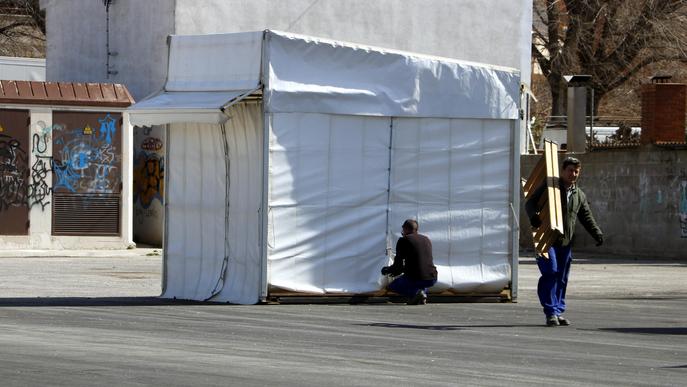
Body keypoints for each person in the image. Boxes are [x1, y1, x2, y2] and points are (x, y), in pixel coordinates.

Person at [526, 156, 603, 326]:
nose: (573, 174)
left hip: (565, 243)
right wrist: (534, 217)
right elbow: (530, 203)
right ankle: (550, 311)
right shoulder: (550, 186)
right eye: (570, 170)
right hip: (546, 239)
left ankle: (558, 311)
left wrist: (597, 233)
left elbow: (586, 217)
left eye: (576, 171)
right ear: (562, 171)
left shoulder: (578, 194)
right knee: (550, 272)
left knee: (561, 277)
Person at [381, 219, 438, 305]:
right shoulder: (426, 239)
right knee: (418, 282)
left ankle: (417, 293)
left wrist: (388, 270)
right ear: (416, 229)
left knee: (392, 286)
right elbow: (419, 262)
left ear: (405, 229)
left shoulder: (403, 240)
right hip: (432, 278)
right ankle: (420, 295)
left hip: (417, 278)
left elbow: (398, 266)